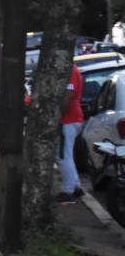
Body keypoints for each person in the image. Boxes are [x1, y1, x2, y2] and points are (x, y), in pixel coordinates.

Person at [54, 62, 86, 204]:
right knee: (66, 154)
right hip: (71, 119)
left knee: (62, 155)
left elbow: (69, 93)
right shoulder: (71, 69)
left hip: (67, 119)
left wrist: (56, 114)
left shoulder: (69, 69)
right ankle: (75, 186)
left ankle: (68, 192)